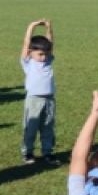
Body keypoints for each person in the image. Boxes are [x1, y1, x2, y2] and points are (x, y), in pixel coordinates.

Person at [21, 18, 59, 166]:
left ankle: (47, 152)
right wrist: (31, 26)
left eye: (46, 54)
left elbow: (50, 43)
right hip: (34, 100)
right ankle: (28, 153)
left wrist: (48, 28)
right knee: (31, 128)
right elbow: (26, 44)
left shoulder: (48, 61)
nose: (44, 57)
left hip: (49, 99)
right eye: (40, 54)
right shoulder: (28, 62)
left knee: (48, 127)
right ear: (30, 53)